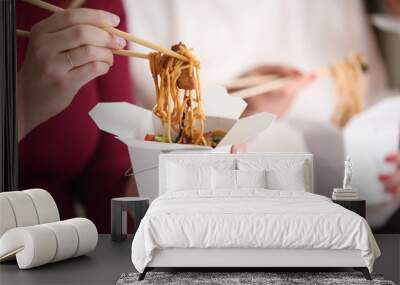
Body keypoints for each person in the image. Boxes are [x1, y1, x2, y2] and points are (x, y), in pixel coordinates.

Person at [17, 0, 137, 233]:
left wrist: (170, 175)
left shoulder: (97, 6)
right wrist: (19, 107)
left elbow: (108, 184)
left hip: (62, 251)